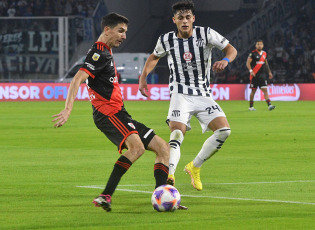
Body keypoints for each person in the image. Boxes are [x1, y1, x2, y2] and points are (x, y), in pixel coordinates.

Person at [52, 13, 170, 212]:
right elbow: (77, 79)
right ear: (107, 30)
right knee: (137, 148)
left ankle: (162, 195)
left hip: (121, 113)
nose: (124, 36)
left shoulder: (105, 51)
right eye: (120, 31)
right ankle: (105, 195)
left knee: (163, 148)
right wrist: (68, 108)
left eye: (125, 32)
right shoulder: (98, 53)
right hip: (107, 113)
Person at [139, 0, 237, 191]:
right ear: (174, 20)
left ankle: (195, 166)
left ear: (193, 18)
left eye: (187, 17)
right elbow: (153, 57)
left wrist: (225, 60)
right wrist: (143, 77)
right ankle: (171, 174)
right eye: (180, 18)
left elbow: (231, 49)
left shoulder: (206, 33)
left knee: (224, 131)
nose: (184, 21)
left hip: (203, 93)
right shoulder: (166, 39)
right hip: (180, 93)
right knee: (177, 133)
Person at [246, 39, 276, 111]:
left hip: (262, 75)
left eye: (261, 44)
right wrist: (251, 71)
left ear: (263, 45)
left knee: (265, 89)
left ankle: (269, 105)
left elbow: (266, 63)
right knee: (253, 91)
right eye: (258, 44)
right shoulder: (252, 54)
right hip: (255, 76)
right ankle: (251, 107)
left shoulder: (264, 54)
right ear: (256, 45)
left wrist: (269, 72)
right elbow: (248, 63)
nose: (259, 45)